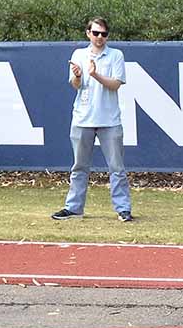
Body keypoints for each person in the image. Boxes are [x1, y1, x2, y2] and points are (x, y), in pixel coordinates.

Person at [52, 17, 132, 222]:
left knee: (117, 167)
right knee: (79, 166)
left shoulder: (115, 55)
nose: (99, 37)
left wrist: (95, 75)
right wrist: (78, 75)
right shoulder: (79, 54)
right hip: (82, 118)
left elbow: (115, 84)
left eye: (103, 34)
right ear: (88, 33)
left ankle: (123, 209)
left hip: (109, 120)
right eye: (96, 33)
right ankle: (74, 207)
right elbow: (76, 85)